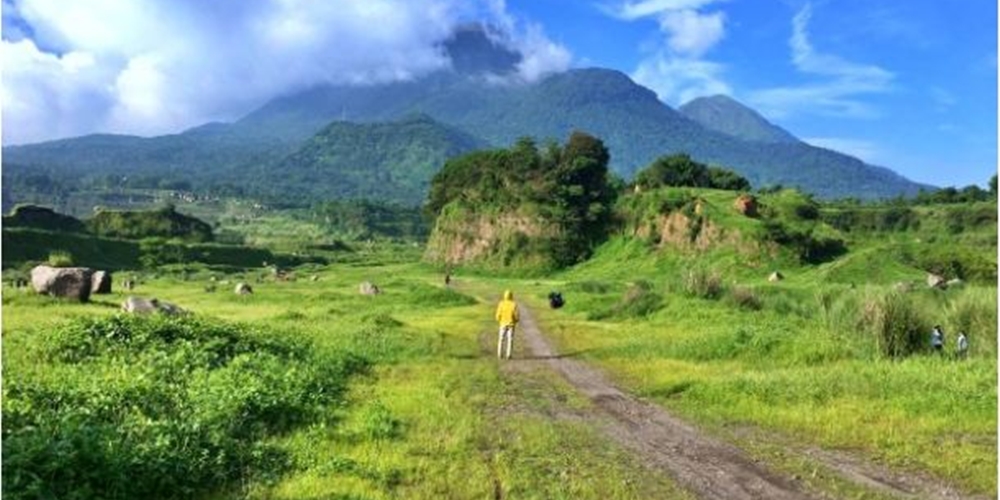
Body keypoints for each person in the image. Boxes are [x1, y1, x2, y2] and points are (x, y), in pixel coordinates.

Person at [495, 290, 519, 360]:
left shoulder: (501, 303)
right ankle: (508, 355)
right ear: (511, 296)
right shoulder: (514, 304)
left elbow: (498, 314)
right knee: (510, 340)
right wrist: (516, 321)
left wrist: (498, 320)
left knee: (501, 339)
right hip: (511, 324)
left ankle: (499, 354)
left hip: (502, 323)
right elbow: (516, 315)